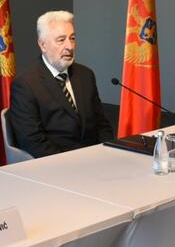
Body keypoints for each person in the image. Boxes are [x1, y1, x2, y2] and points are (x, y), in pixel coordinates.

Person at [9, 10, 114, 158]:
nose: (70, 46)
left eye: (72, 38)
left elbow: (101, 123)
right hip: (56, 162)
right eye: (61, 40)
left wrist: (109, 152)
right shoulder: (26, 84)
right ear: (43, 45)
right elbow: (32, 141)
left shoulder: (85, 75)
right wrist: (70, 164)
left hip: (95, 157)